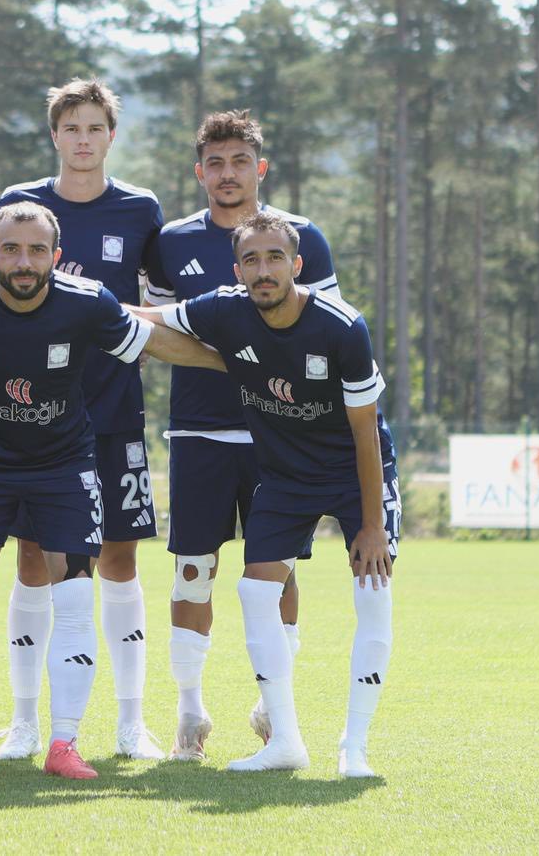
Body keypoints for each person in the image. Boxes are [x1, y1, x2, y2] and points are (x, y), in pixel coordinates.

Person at [0, 202, 225, 779]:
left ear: (57, 256)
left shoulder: (87, 300)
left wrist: (239, 365)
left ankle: (64, 744)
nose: (24, 262)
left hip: (63, 468)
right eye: (12, 250)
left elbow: (155, 342)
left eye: (37, 250)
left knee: (73, 603)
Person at [139, 210, 397, 778]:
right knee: (256, 592)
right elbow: (148, 317)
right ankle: (286, 742)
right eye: (251, 260)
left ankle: (355, 747)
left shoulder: (342, 326)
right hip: (287, 475)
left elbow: (365, 432)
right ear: (237, 271)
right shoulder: (224, 309)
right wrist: (74, 305)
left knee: (373, 590)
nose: (263, 270)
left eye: (274, 258)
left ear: (297, 265)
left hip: (354, 469)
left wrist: (372, 525)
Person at [142, 109, 340, 761]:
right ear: (199, 172)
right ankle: (190, 712)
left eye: (240, 162)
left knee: (277, 574)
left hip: (281, 436)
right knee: (192, 571)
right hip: (198, 432)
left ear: (261, 168)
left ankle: (274, 710)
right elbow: (157, 334)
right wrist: (240, 359)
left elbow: (323, 332)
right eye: (215, 164)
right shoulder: (171, 242)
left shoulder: (303, 236)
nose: (228, 174)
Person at [0, 79, 168, 760]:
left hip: (114, 409)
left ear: (111, 136)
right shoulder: (21, 205)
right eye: (72, 128)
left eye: (95, 127)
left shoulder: (141, 209)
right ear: (55, 136)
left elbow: (163, 299)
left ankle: (130, 723)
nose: (84, 139)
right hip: (33, 416)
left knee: (119, 558)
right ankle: (24, 723)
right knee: (32, 557)